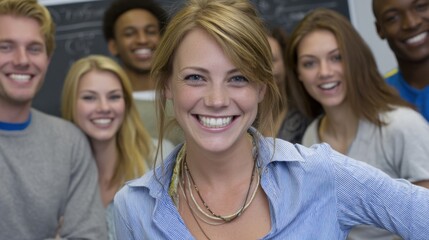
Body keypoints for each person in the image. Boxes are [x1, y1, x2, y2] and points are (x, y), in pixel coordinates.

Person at [113, 0, 429, 239]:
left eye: (238, 78)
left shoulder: (322, 174)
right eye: (196, 77)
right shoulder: (133, 206)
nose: (217, 100)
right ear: (168, 84)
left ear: (262, 87)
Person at [285, 8, 429, 240]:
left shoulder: (401, 125)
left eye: (336, 58)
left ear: (355, 60)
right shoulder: (312, 136)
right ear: (299, 74)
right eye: (310, 63)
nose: (324, 72)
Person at [0, 0, 107, 239]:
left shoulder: (69, 142)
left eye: (34, 49)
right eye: (5, 47)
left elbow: (89, 235)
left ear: (47, 60)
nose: (22, 60)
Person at [61, 55, 175, 239]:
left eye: (114, 96)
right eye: (90, 97)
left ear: (126, 103)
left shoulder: (160, 156)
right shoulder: (57, 174)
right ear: (71, 104)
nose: (104, 107)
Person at [103, 0, 183, 145]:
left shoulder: (186, 95)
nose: (142, 40)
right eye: (129, 33)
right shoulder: (107, 107)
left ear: (164, 39)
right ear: (113, 46)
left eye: (151, 31)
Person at [372, 0, 429, 122]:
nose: (412, 23)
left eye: (421, 7)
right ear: (379, 29)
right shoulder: (377, 96)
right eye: (392, 18)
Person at [266, 27, 311, 143]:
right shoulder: (243, 118)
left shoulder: (306, 118)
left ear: (285, 63)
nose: (265, 69)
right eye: (258, 61)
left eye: (271, 59)